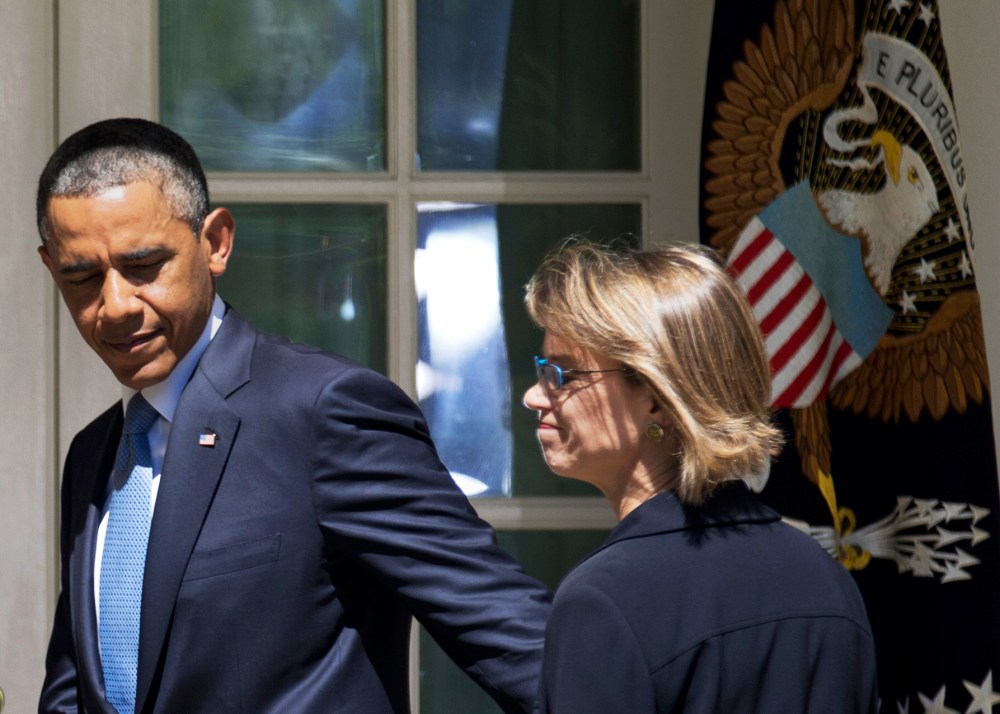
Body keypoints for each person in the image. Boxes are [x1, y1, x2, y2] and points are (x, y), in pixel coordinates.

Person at [36, 117, 550, 714]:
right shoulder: (95, 452)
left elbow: (512, 638)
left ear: (216, 242)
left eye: (145, 265)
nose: (116, 305)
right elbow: (79, 684)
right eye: (83, 277)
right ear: (52, 270)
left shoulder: (325, 413)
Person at [522, 240, 878, 712]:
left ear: (656, 398)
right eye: (541, 370)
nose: (534, 395)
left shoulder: (603, 601)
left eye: (562, 374)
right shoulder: (826, 579)